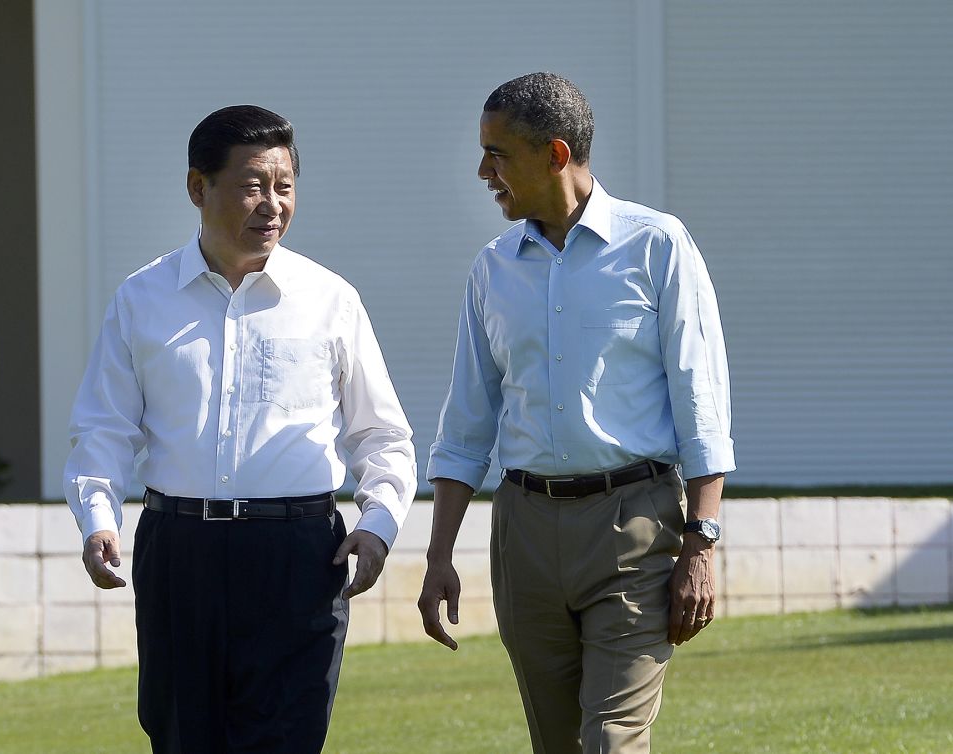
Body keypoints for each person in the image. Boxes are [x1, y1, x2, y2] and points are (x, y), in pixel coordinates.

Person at [64, 105, 416, 753]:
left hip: (299, 555)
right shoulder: (141, 300)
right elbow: (103, 430)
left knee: (288, 737)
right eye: (254, 185)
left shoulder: (330, 300)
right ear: (198, 188)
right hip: (180, 553)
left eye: (284, 186)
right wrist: (98, 520)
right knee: (182, 738)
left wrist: (379, 524)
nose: (272, 204)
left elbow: (381, 437)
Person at [418, 73, 735, 753]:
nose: (483, 172)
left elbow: (701, 403)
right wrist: (438, 554)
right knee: (557, 744)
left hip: (635, 528)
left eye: (497, 154)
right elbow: (466, 427)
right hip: (524, 532)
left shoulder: (658, 247)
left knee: (612, 743)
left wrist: (701, 545)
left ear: (556, 154)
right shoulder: (491, 270)